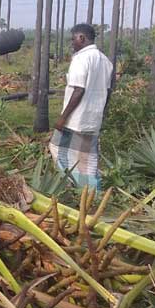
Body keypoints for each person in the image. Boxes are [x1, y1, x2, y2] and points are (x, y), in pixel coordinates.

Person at [49, 23, 113, 190]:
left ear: (82, 38)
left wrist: (62, 118)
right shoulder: (105, 61)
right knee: (87, 157)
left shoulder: (81, 58)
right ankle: (92, 191)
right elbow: (108, 91)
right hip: (93, 119)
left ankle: (73, 184)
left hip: (75, 119)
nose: (72, 43)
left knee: (56, 148)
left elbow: (78, 90)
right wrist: (102, 113)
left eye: (73, 39)